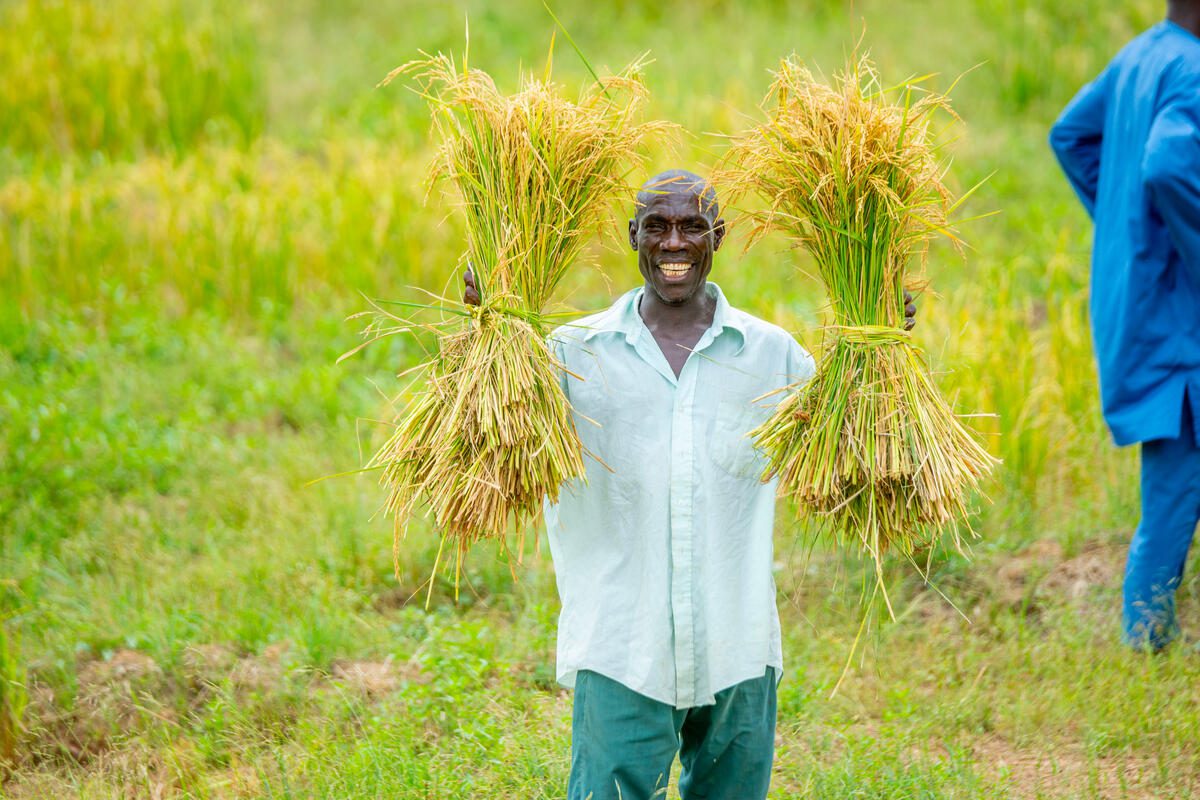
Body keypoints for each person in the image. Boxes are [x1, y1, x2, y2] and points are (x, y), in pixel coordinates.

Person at [465, 170, 913, 798]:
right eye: (657, 227)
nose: (673, 243)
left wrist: (881, 354)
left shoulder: (772, 356)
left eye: (692, 227)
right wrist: (485, 337)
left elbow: (853, 464)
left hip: (737, 643)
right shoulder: (569, 355)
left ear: (718, 237)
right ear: (634, 237)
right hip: (624, 645)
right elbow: (486, 449)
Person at [1049, 0, 1200, 651]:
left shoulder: (1141, 53)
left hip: (1139, 304)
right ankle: (1144, 642)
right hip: (1175, 320)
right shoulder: (1192, 69)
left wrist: (1126, 224)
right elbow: (1169, 165)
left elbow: (1069, 134)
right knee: (1175, 479)